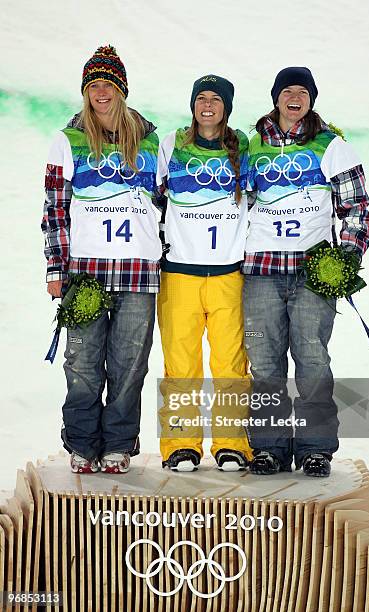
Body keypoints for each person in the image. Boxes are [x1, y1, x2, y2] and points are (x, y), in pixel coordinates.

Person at [243, 67, 369, 477]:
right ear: (276, 98)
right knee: (264, 363)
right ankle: (269, 447)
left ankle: (316, 447)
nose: (295, 97)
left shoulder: (330, 145)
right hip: (261, 270)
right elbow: (232, 204)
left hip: (311, 272)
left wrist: (345, 260)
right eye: (287, 91)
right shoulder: (250, 145)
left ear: (311, 99)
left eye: (303, 91)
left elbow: (356, 209)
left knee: (312, 359)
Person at [41, 45, 162, 474]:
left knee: (129, 365)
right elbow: (55, 209)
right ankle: (81, 443)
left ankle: (118, 444)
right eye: (93, 85)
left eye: (108, 84)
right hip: (87, 272)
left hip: (138, 272)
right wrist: (57, 269)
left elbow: (167, 204)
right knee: (83, 363)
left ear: (121, 89)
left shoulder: (150, 141)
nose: (100, 92)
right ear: (85, 91)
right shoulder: (68, 140)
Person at [157, 75, 253, 472]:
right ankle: (181, 445)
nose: (208, 105)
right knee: (181, 362)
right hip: (180, 272)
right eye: (201, 98)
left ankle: (231, 444)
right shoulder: (171, 145)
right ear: (193, 105)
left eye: (216, 99)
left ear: (226, 107)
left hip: (228, 273)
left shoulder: (243, 147)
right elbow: (150, 196)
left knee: (231, 362)